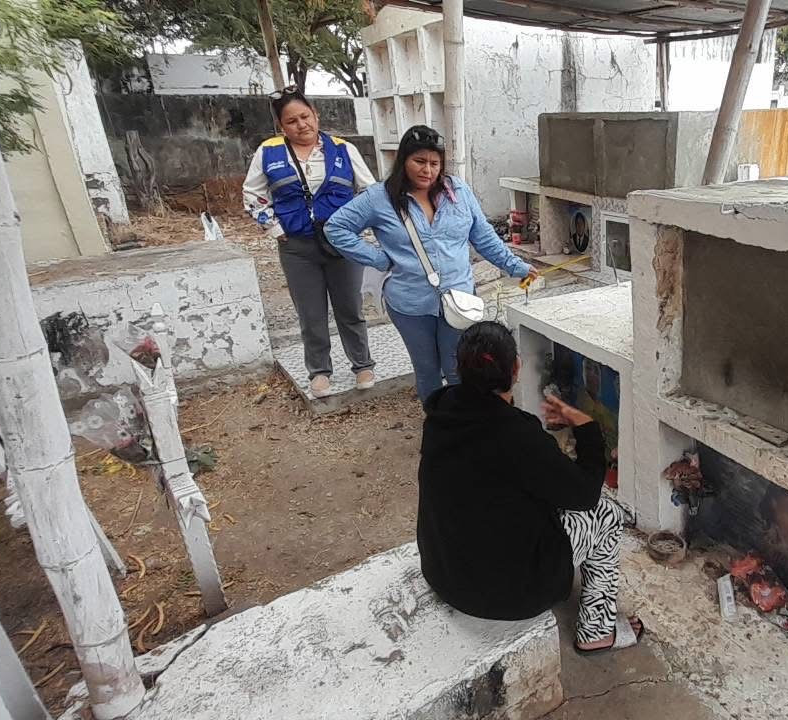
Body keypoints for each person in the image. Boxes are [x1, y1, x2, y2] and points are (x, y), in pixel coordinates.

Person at [416, 321, 645, 652]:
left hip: (444, 573)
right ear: (516, 368)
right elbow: (584, 495)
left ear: (460, 369)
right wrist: (587, 428)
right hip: (506, 595)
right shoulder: (516, 433)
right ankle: (597, 633)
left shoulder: (440, 414)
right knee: (607, 515)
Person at [324, 125, 535, 400]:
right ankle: (437, 419)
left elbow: (483, 237)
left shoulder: (458, 192)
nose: (428, 170)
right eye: (419, 161)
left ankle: (465, 420)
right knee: (427, 371)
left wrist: (515, 266)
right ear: (403, 160)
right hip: (410, 303)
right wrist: (378, 258)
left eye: (435, 163)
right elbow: (336, 227)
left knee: (459, 369)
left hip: (459, 299)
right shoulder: (379, 197)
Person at [242, 86, 377, 398]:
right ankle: (319, 371)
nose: (301, 125)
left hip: (341, 245)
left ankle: (362, 364)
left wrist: (355, 227)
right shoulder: (268, 152)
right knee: (310, 313)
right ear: (281, 126)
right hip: (297, 247)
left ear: (315, 115)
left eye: (305, 116)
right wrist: (275, 229)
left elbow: (370, 192)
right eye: (291, 121)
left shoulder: (343, 149)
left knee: (350, 308)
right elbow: (252, 195)